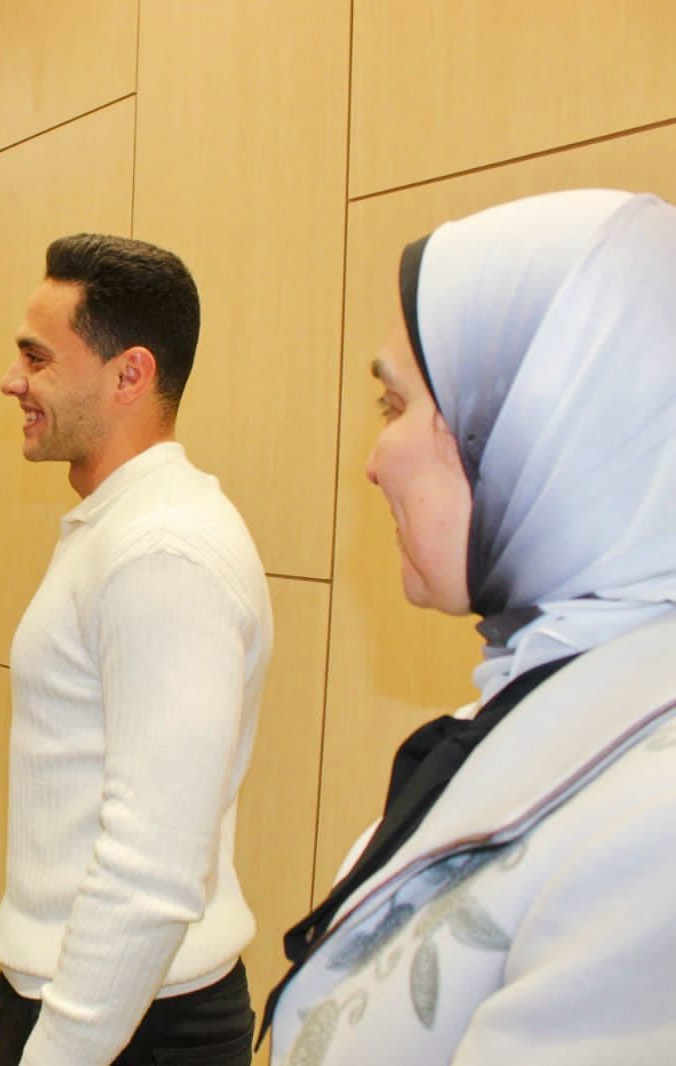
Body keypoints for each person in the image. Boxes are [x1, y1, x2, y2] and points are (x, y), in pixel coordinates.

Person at [265, 189, 676, 1065]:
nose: (372, 462)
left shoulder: (656, 829)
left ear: (532, 427)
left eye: (394, 407)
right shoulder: (543, 690)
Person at [0, 234, 272, 1065]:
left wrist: (60, 1050)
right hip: (97, 1004)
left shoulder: (160, 551)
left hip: (129, 1024)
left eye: (36, 359)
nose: (12, 381)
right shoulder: (119, 528)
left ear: (129, 375)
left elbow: (151, 864)